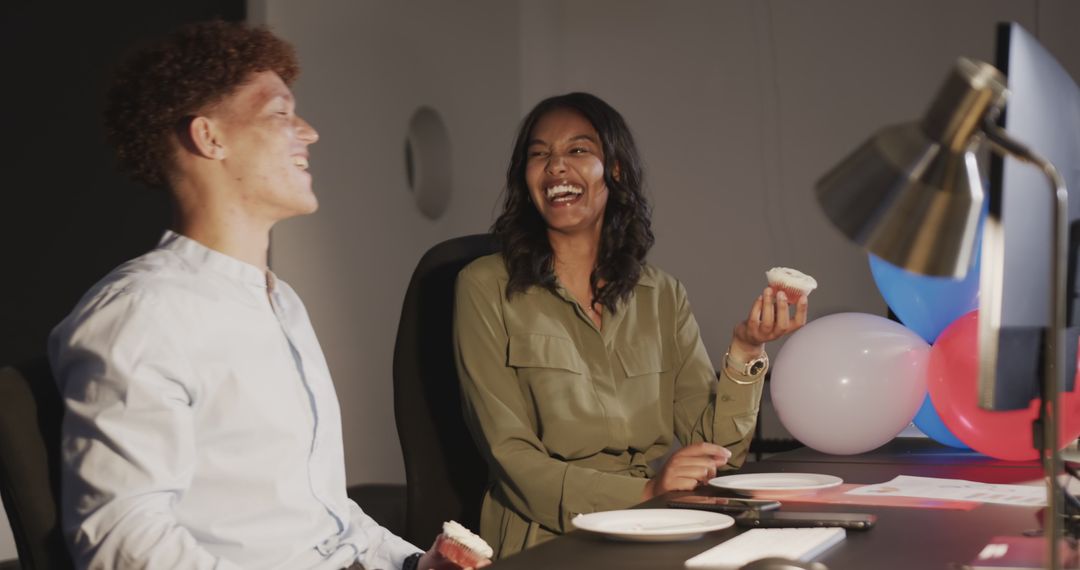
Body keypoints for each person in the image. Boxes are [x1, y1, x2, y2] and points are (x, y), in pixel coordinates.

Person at [48, 21, 483, 570]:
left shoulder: (280, 302)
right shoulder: (141, 314)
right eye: (280, 113)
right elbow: (122, 541)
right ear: (210, 137)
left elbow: (323, 513)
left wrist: (414, 563)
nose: (309, 132)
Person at [453, 92, 809, 558]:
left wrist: (746, 349)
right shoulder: (483, 286)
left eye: (578, 149)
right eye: (539, 155)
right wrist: (642, 493)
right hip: (545, 538)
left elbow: (719, 453)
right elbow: (510, 456)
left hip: (654, 524)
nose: (556, 166)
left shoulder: (663, 294)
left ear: (615, 171)